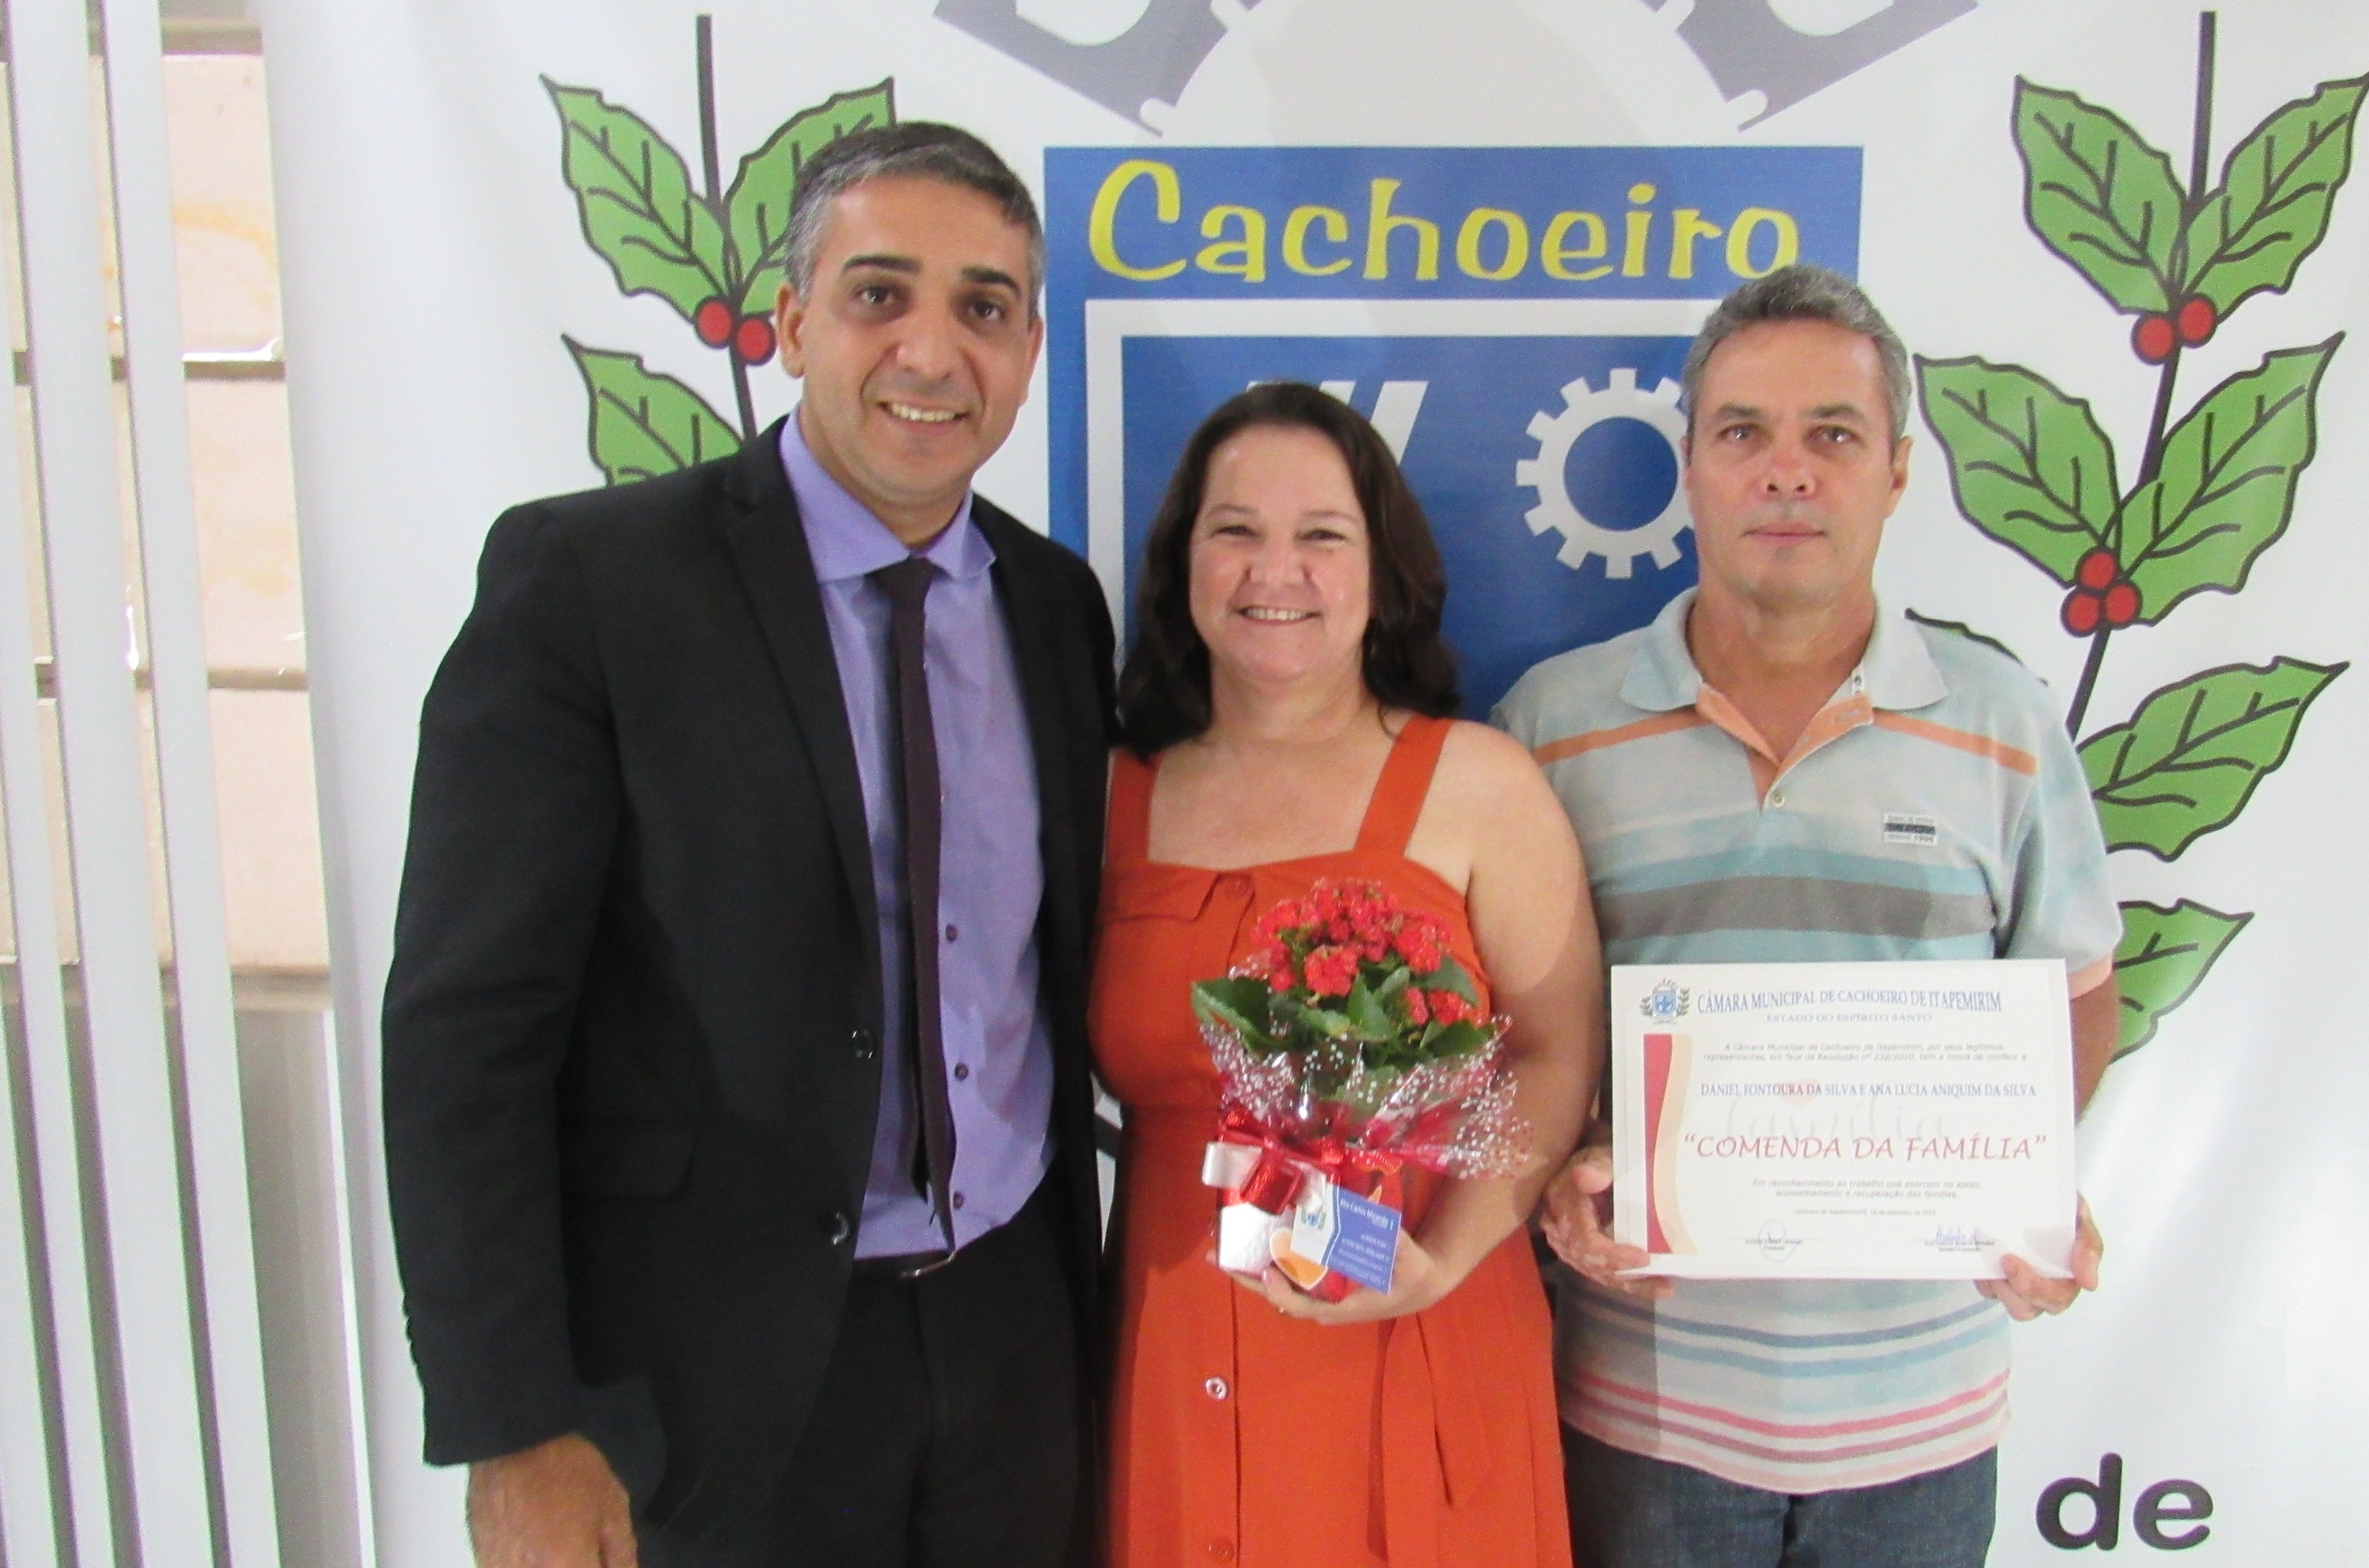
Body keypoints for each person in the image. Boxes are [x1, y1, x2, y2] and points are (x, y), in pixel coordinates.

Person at [383, 122, 1115, 1567]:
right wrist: (512, 1427)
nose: (930, 350)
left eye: (982, 308)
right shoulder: (590, 585)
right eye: (878, 293)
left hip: (1016, 1342)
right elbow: (467, 1035)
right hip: (712, 1380)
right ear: (789, 321)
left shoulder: (1054, 606)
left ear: (1029, 350)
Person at [1490, 264, 2121, 1568]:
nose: (1787, 472)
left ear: (1897, 469)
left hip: (1922, 1421)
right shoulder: (1551, 728)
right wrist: (1559, 1177)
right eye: (1744, 433)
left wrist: (2026, 1180)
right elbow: (1503, 1033)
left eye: (1833, 434)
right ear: (1689, 466)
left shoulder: (2002, 721)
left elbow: (2077, 990)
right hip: (1642, 1417)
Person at [1092, 382, 1602, 1568]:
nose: (1277, 570)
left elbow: (1556, 1051)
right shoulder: (1107, 793)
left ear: (1383, 571)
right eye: (1236, 530)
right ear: (1182, 563)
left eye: (1322, 533)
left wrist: (1440, 1260)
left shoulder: (1479, 783)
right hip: (1171, 1359)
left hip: (1416, 1329)